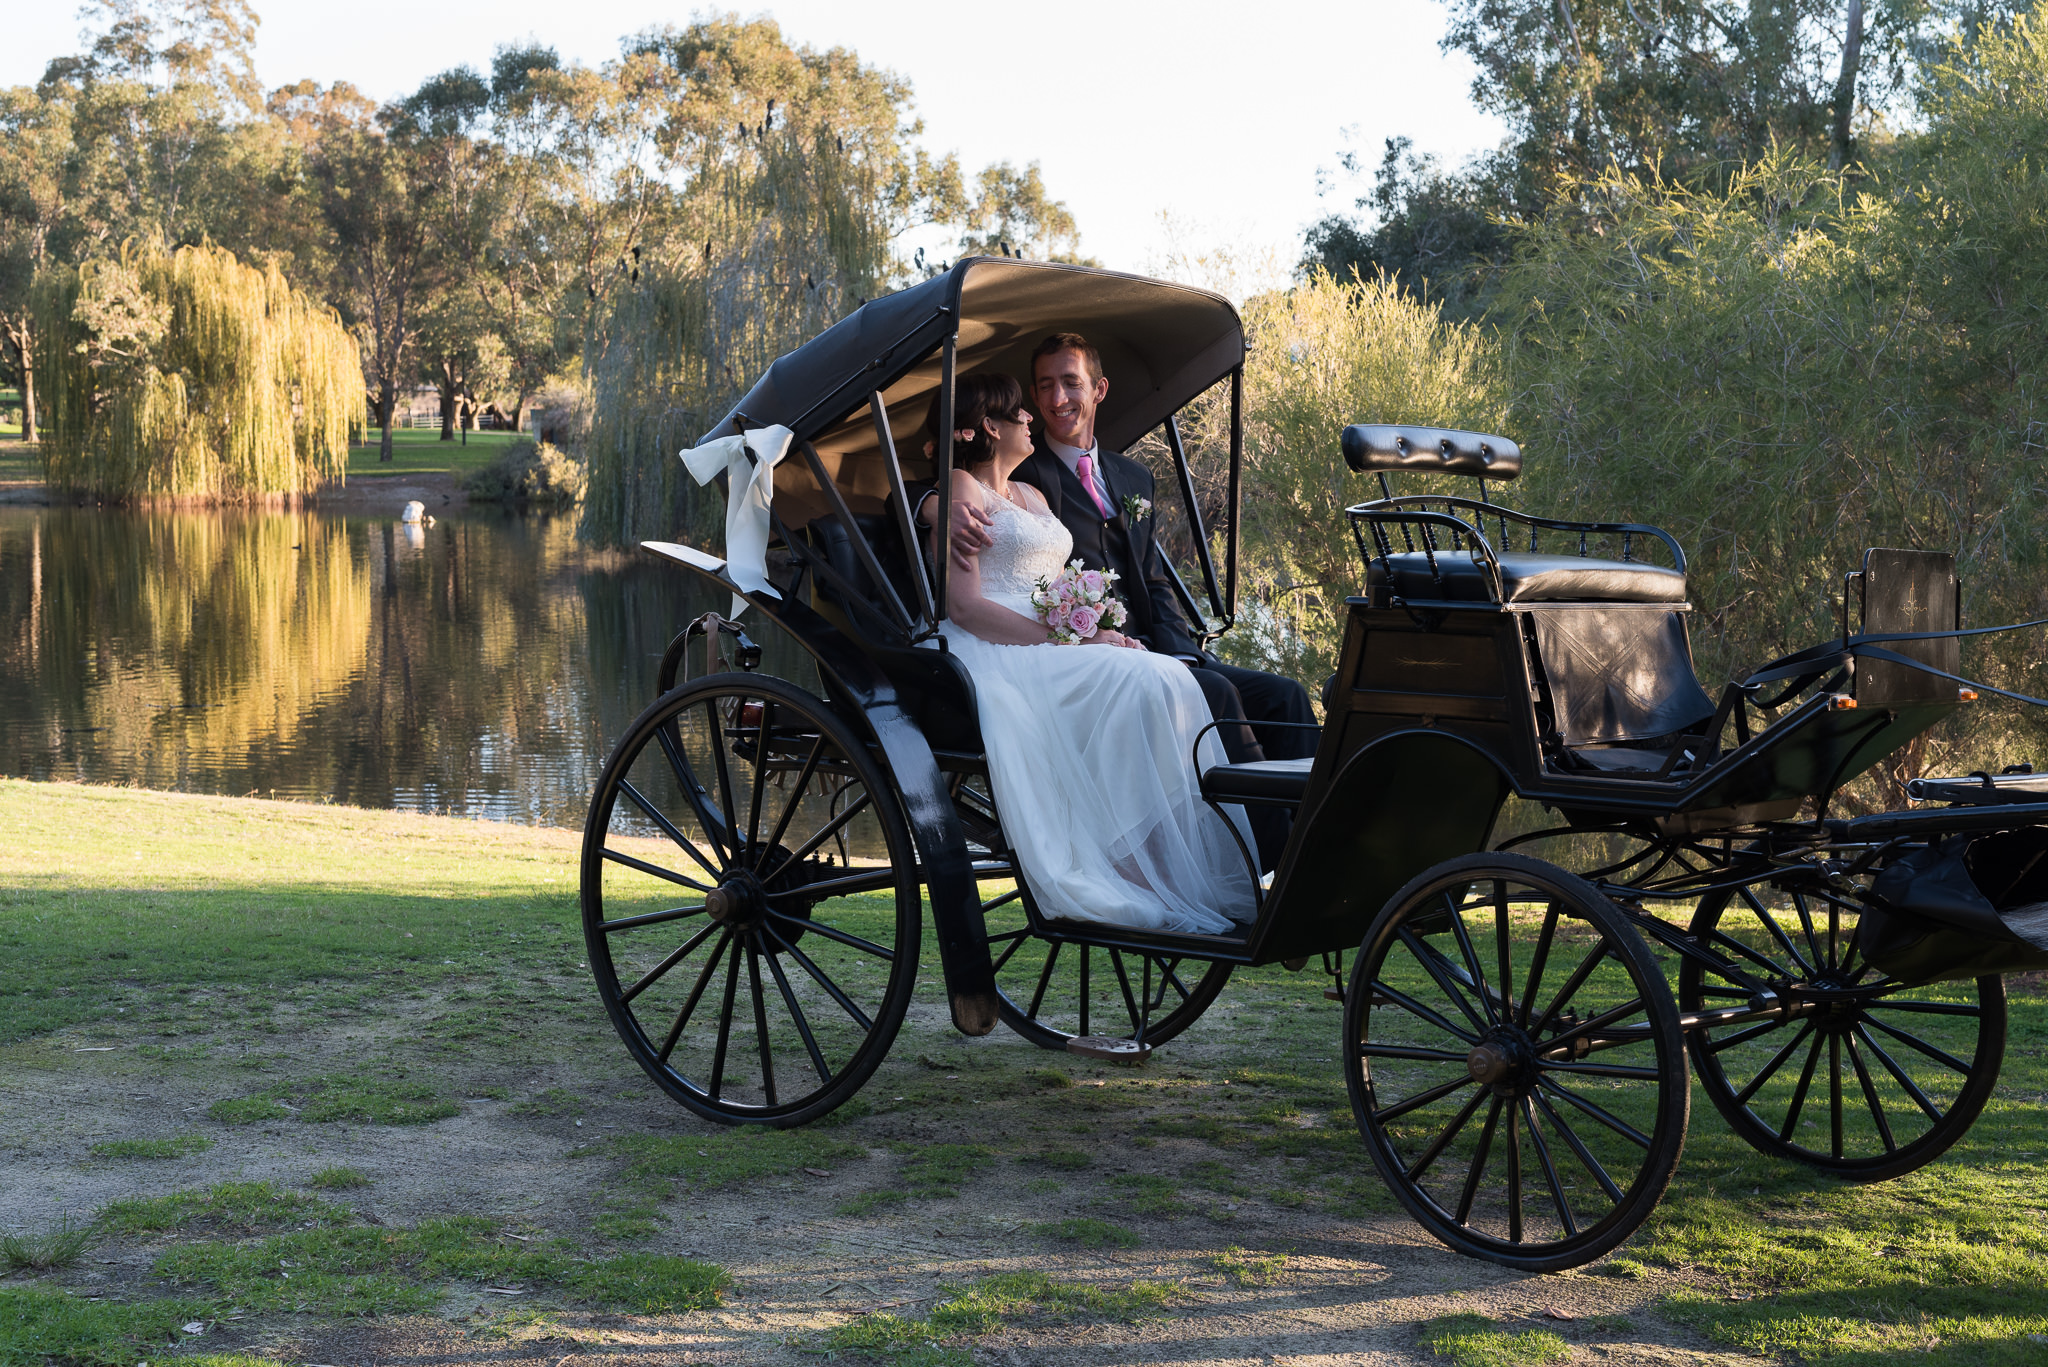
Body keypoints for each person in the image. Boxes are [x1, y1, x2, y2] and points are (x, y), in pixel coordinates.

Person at [918, 332, 1317, 869]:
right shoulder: (1022, 473)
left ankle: (1324, 842)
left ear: (1099, 389)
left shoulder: (1130, 476)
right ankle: (1279, 863)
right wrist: (930, 504)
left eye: (1070, 383)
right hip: (1069, 648)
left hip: (1131, 644)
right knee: (1217, 696)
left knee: (1285, 696)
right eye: (1042, 389)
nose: (1055, 401)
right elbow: (931, 487)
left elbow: (1152, 580)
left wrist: (1184, 650)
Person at [927, 370, 1254, 934]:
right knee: (1140, 681)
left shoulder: (1028, 491)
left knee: (1165, 678)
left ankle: (1153, 860)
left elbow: (1050, 577)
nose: (1032, 416)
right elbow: (966, 608)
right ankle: (1126, 865)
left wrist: (1091, 622)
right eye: (1018, 412)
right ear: (988, 426)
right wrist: (1071, 637)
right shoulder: (958, 488)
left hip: (1050, 640)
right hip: (992, 644)